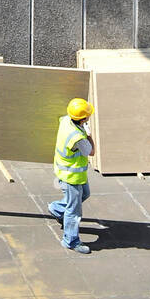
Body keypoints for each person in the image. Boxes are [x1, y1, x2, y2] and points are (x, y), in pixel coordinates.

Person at [48, 97, 96, 253]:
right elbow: (91, 151)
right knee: (74, 212)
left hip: (69, 172)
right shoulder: (78, 138)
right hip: (71, 177)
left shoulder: (66, 120)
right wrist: (88, 134)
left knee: (85, 194)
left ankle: (56, 209)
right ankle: (71, 241)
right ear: (83, 119)